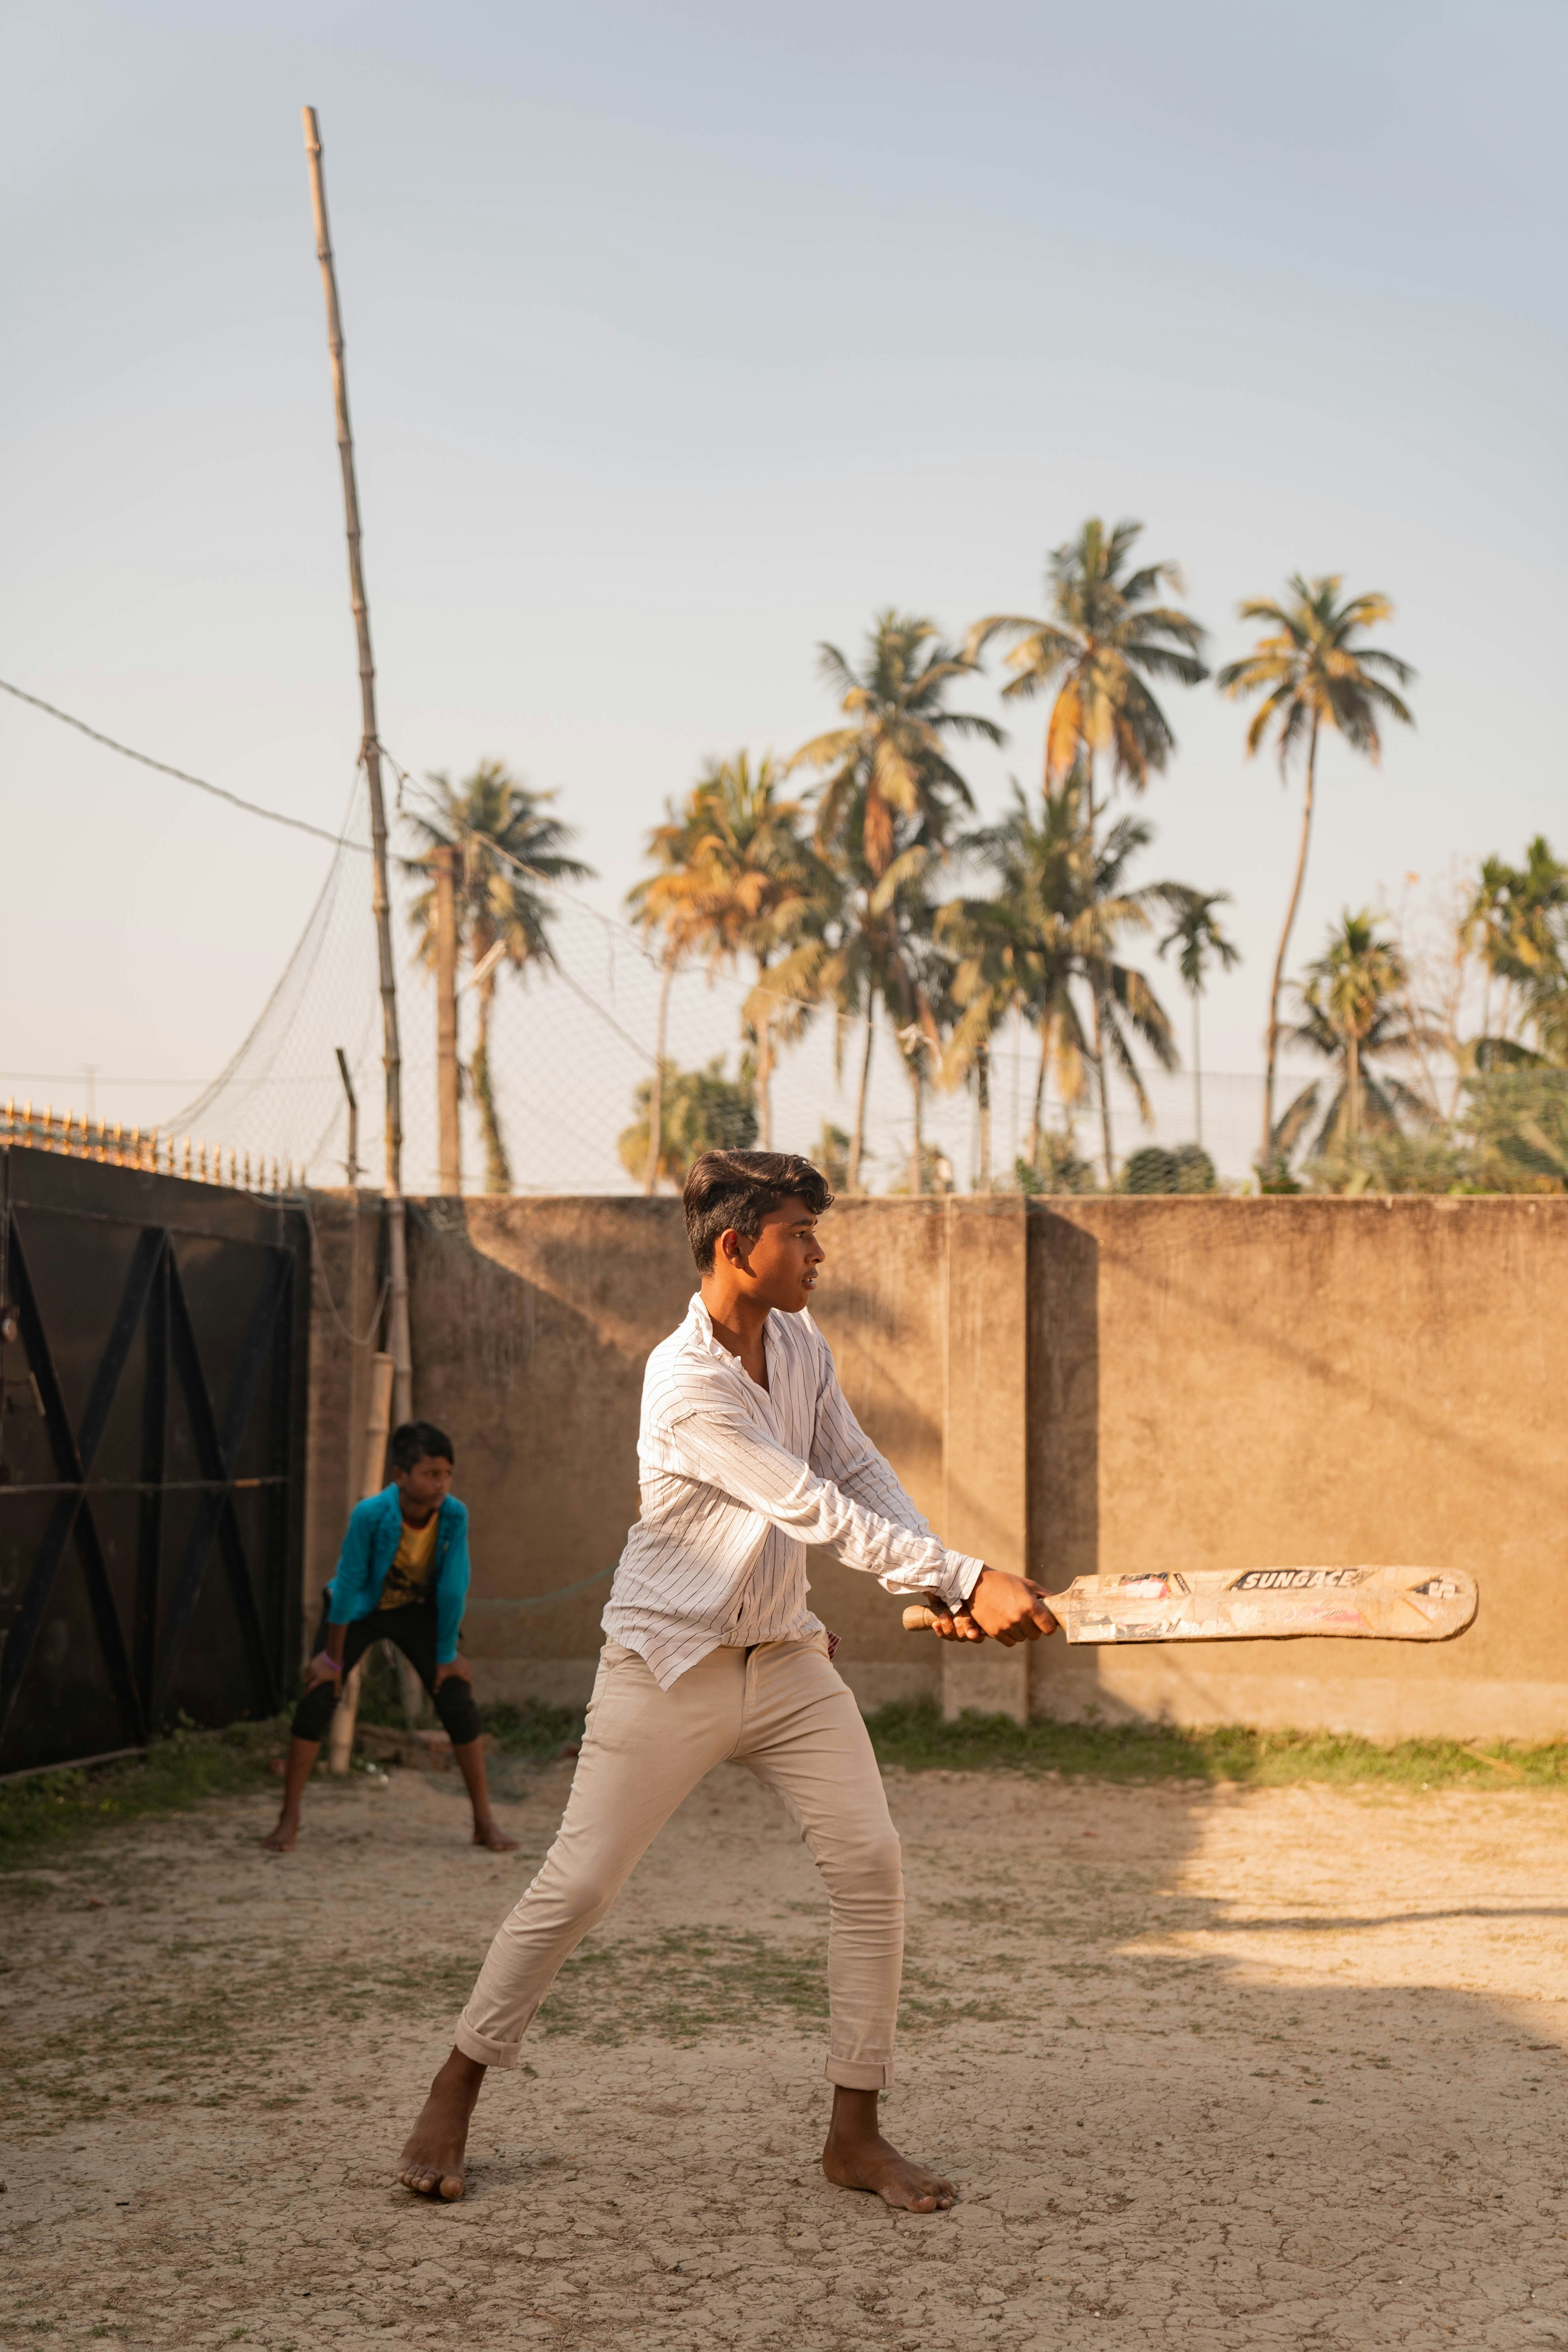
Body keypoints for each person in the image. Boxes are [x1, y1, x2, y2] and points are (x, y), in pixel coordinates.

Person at [394, 1149, 1055, 2210]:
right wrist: (966, 1574)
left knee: (871, 1862)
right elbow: (807, 1504)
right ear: (734, 1244)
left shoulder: (798, 1341)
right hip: (667, 1662)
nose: (817, 1252)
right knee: (580, 1881)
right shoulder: (684, 1380)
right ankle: (459, 2078)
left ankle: (854, 2132)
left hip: (783, 1656)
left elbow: (854, 1466)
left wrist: (937, 1580)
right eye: (799, 1232)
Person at [262, 1420, 518, 1855]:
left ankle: (483, 1821)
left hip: (416, 1611)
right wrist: (333, 1661)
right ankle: (289, 1818)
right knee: (318, 1698)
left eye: (447, 1474)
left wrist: (446, 1655)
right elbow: (347, 1583)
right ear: (400, 1475)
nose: (441, 1484)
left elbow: (454, 1585)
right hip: (359, 1610)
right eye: (431, 1473)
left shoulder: (454, 1515)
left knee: (456, 1697)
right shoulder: (370, 1514)